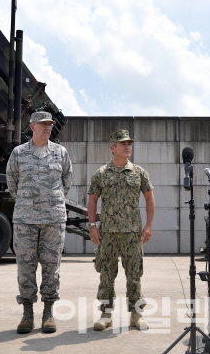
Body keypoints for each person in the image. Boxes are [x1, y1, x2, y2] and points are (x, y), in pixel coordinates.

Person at [6, 111, 72, 334]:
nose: (48, 127)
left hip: (53, 220)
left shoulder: (60, 152)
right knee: (26, 266)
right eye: (43, 124)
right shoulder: (18, 153)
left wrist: (50, 203)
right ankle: (27, 313)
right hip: (25, 219)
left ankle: (48, 312)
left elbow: (66, 183)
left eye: (50, 124)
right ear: (32, 127)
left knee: (52, 267)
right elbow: (12, 183)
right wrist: (29, 203)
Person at [87, 129, 155, 331]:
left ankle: (136, 315)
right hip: (107, 233)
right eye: (123, 143)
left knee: (134, 276)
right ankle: (106, 314)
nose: (127, 146)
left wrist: (149, 226)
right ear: (112, 148)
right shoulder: (101, 174)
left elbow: (149, 198)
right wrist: (92, 226)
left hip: (132, 234)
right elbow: (92, 200)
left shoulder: (139, 173)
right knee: (106, 275)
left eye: (129, 143)